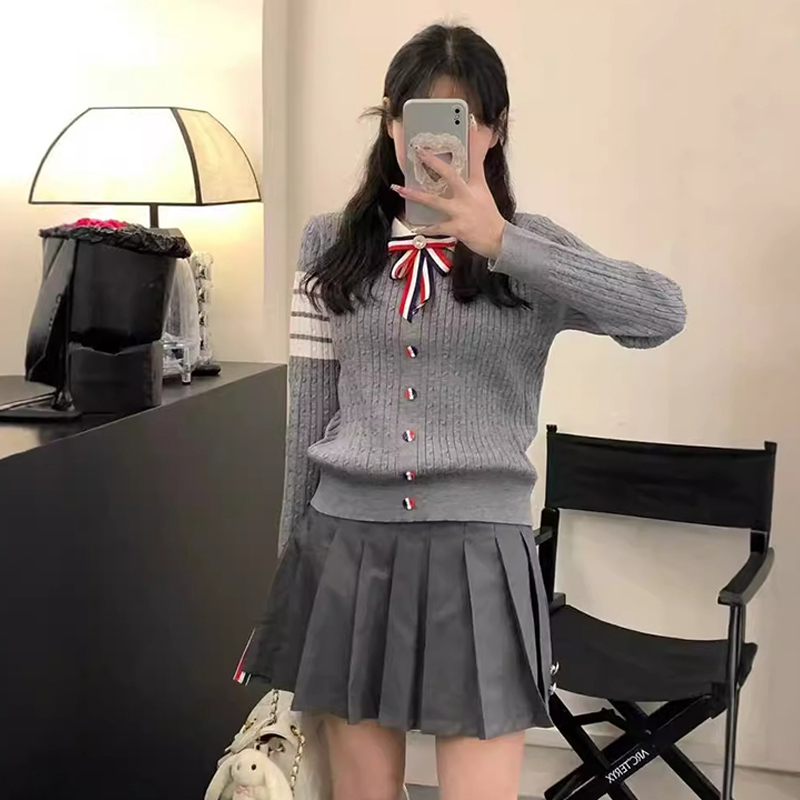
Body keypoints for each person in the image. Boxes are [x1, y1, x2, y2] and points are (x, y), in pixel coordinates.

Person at [236, 22, 686, 800]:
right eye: (419, 116)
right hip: (346, 549)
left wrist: (503, 240)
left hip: (481, 557)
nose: (443, 140)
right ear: (390, 125)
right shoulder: (329, 246)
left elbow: (661, 314)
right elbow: (306, 421)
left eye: (466, 119)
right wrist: (289, 582)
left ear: (495, 130)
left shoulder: (530, 250)